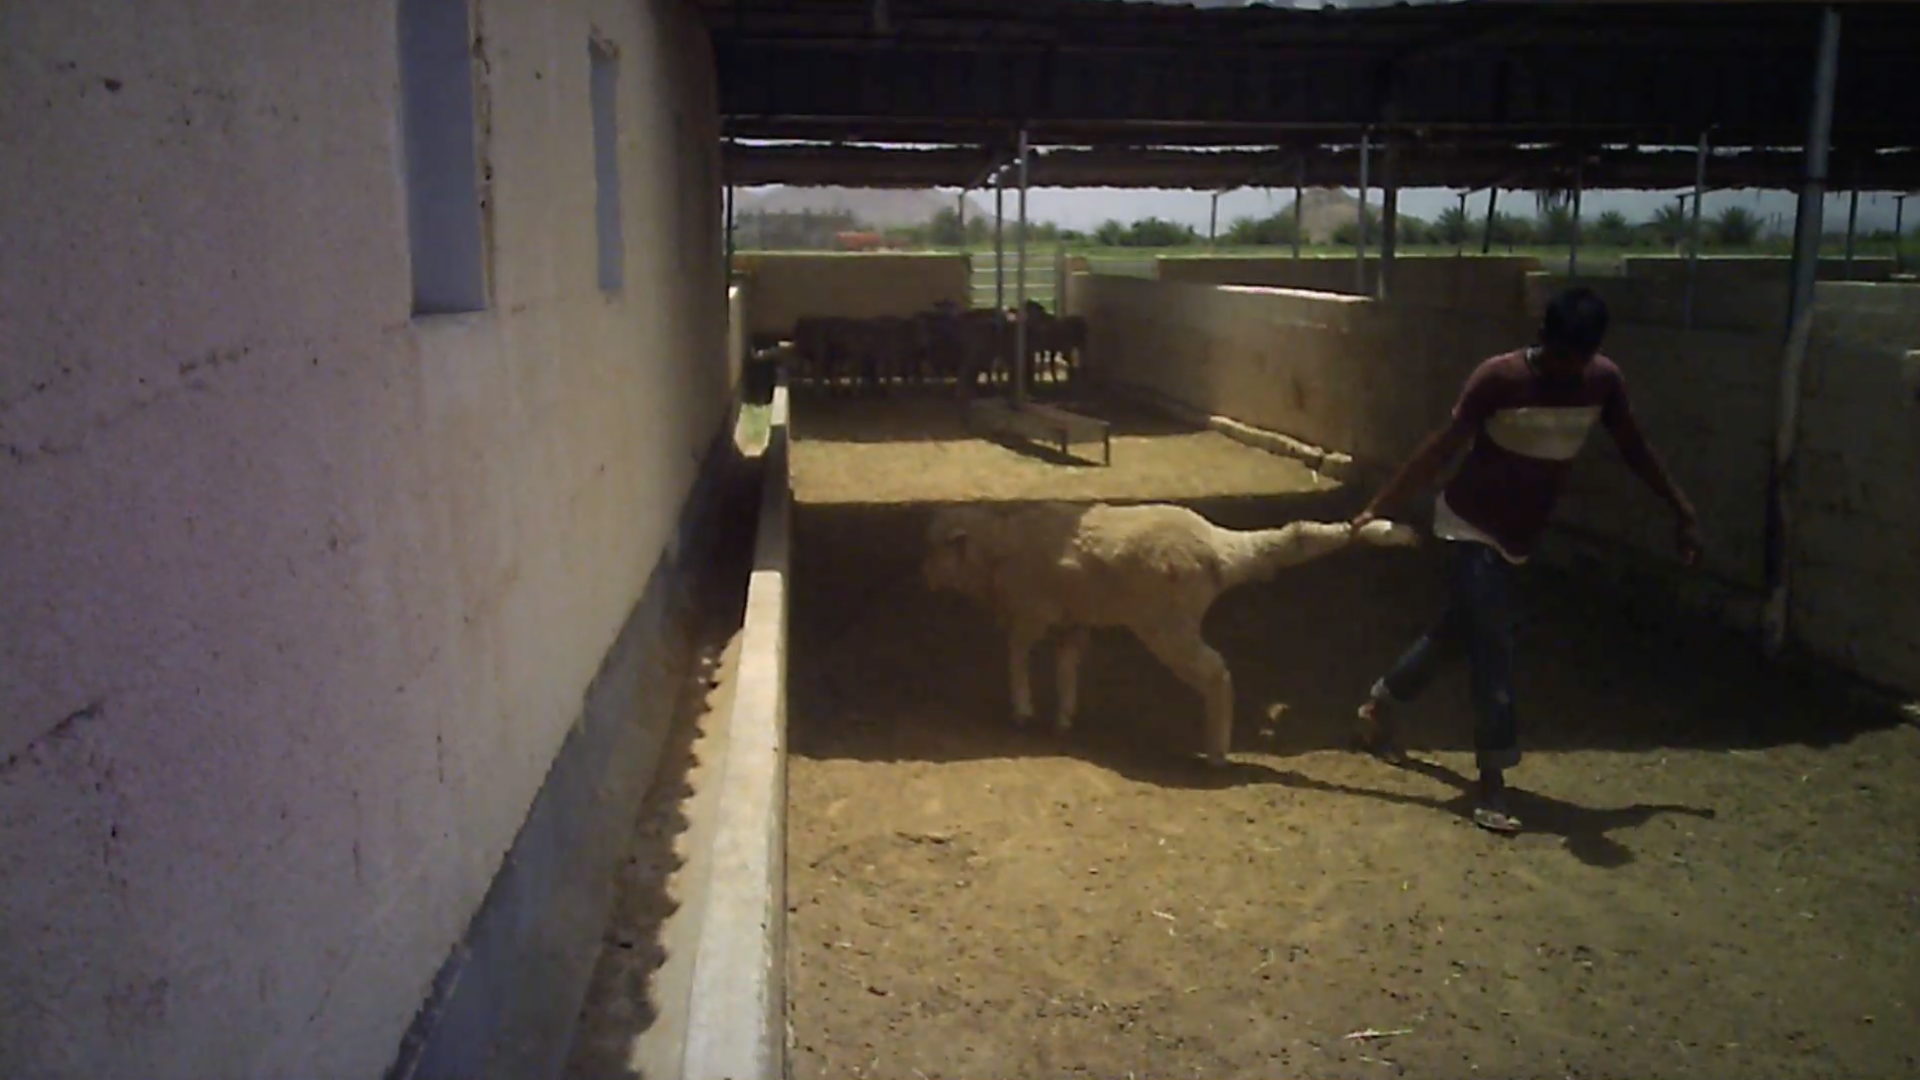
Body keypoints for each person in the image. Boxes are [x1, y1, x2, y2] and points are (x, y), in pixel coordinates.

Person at [1347, 286, 1701, 834]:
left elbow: (1635, 446)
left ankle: (1380, 702)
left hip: (1520, 537)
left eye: (1580, 359)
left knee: (1458, 631)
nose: (1569, 371)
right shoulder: (1498, 379)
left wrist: (1679, 507)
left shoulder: (1602, 381)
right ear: (1542, 340)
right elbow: (1441, 447)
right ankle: (1492, 782)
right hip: (1466, 526)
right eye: (1562, 357)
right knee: (1493, 643)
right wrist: (1379, 506)